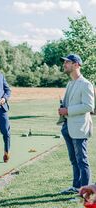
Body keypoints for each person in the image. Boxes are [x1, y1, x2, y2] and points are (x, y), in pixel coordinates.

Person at [58, 54, 94, 194]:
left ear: (76, 64)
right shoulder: (70, 83)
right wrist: (63, 109)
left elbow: (89, 106)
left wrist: (67, 110)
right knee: (73, 159)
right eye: (65, 62)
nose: (64, 64)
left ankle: (85, 191)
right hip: (68, 126)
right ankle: (76, 187)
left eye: (67, 62)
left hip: (80, 128)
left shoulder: (86, 84)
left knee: (82, 161)